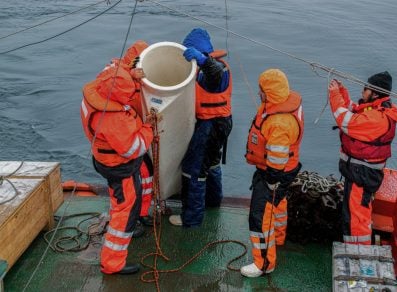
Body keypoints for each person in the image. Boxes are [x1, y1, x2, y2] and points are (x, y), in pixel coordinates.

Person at [80, 65, 154, 275]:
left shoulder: (96, 90)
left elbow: (109, 76)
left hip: (103, 159)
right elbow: (134, 147)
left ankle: (123, 215)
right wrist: (148, 128)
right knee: (125, 212)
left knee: (122, 202)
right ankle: (112, 263)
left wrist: (129, 77)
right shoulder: (112, 118)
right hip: (119, 167)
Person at [328, 71, 397, 245]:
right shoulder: (376, 110)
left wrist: (333, 95)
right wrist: (341, 91)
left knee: (357, 217)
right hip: (360, 171)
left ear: (375, 93)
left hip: (362, 174)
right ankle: (355, 248)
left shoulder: (378, 118)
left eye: (366, 89)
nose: (363, 92)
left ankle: (358, 252)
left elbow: (346, 121)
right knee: (355, 213)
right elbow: (354, 110)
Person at [241, 69, 304, 277]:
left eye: (262, 90)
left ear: (270, 93)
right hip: (287, 170)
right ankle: (278, 237)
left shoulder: (279, 122)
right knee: (279, 205)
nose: (259, 93)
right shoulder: (284, 105)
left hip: (274, 173)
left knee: (260, 217)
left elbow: (277, 159)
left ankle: (264, 264)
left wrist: (271, 181)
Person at [168, 28, 233, 227]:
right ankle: (213, 201)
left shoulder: (215, 69)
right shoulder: (210, 69)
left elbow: (213, 73)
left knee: (193, 169)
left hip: (210, 126)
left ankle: (191, 218)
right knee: (211, 163)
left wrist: (203, 61)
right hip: (221, 123)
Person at [99, 40, 155, 233]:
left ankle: (142, 212)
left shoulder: (126, 74)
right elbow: (130, 146)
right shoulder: (113, 80)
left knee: (146, 174)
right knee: (127, 193)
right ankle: (129, 224)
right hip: (122, 145)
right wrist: (149, 129)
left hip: (132, 134)